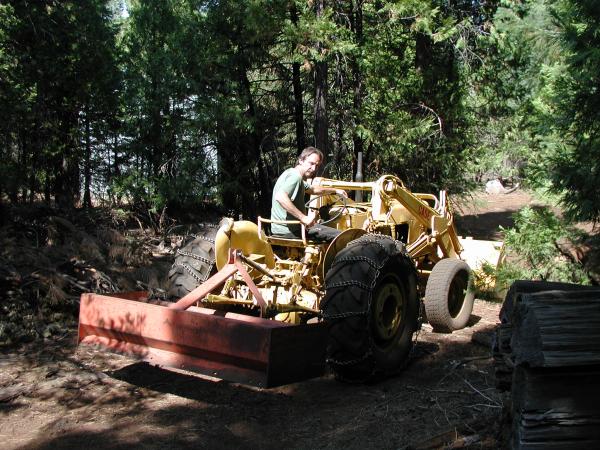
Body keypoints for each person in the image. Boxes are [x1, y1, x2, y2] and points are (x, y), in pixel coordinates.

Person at [271, 146, 347, 242]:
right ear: (301, 160)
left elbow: (313, 189)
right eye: (311, 163)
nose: (314, 168)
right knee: (343, 236)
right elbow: (280, 197)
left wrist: (335, 191)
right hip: (291, 231)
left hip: (278, 230)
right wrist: (303, 217)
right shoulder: (296, 177)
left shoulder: (289, 173)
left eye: (317, 165)